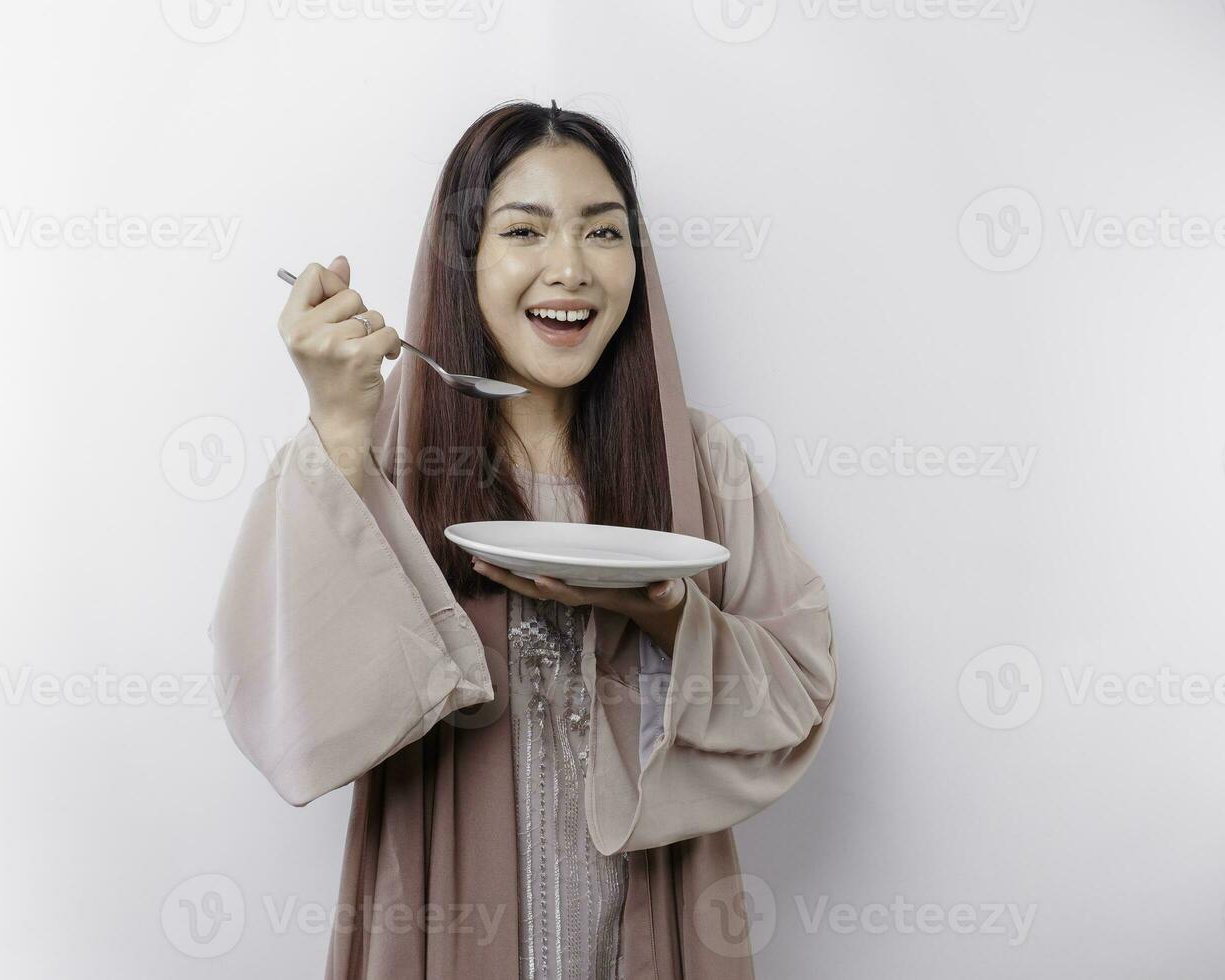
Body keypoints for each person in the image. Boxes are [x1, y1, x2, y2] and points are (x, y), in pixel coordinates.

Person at [210, 99, 838, 980]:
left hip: (652, 921)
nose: (570, 269)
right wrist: (336, 431)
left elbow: (797, 700)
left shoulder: (697, 459)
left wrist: (666, 616)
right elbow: (288, 713)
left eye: (603, 232)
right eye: (524, 230)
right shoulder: (379, 446)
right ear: (465, 257)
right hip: (442, 916)